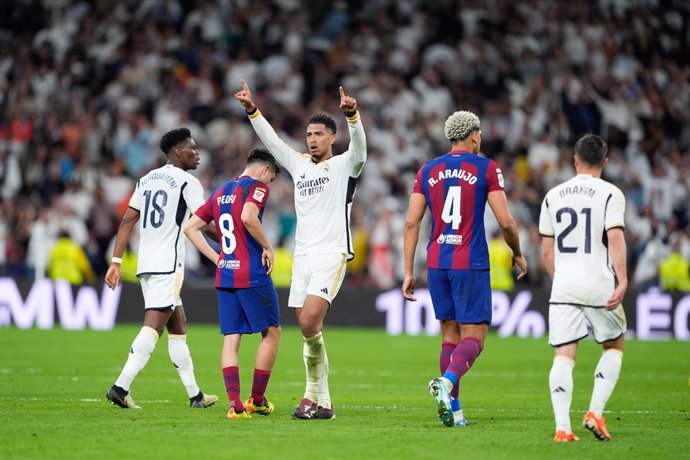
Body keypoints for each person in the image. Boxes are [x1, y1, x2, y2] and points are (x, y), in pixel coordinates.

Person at [234, 80, 366, 420]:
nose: (312, 139)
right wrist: (252, 110)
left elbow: (361, 150)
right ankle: (325, 403)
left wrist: (353, 117)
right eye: (309, 134)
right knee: (311, 331)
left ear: (332, 137)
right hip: (302, 256)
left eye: (319, 134)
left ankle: (308, 398)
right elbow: (273, 142)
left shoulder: (344, 165)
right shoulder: (299, 165)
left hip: (332, 253)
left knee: (309, 321)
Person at [402, 110, 527, 428]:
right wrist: (518, 252)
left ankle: (455, 413)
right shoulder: (486, 167)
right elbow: (506, 221)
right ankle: (445, 383)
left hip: (436, 262)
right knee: (475, 337)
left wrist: (407, 271)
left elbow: (411, 222)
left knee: (449, 336)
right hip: (469, 261)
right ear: (474, 136)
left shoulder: (427, 170)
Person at [105, 127, 218, 410]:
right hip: (169, 264)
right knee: (153, 327)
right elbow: (203, 222)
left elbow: (127, 221)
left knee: (177, 325)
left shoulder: (147, 179)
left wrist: (116, 262)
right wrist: (233, 239)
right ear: (177, 152)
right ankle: (120, 386)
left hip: (147, 263)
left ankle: (196, 395)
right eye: (192, 148)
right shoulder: (187, 182)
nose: (197, 153)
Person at [538, 134, 627, 442]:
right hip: (598, 282)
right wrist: (623, 279)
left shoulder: (553, 195)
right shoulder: (611, 193)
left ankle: (563, 429)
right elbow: (614, 238)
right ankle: (595, 411)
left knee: (564, 354)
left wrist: (558, 281)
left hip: (564, 285)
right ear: (604, 161)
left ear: (574, 159)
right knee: (614, 344)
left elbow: (546, 253)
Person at [184, 148, 282, 420]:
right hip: (252, 274)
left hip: (226, 274)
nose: (269, 183)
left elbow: (191, 227)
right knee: (271, 333)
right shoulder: (258, 188)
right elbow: (249, 216)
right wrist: (267, 245)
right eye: (271, 178)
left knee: (231, 338)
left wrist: (218, 259)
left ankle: (235, 406)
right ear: (264, 170)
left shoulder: (220, 191)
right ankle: (257, 400)